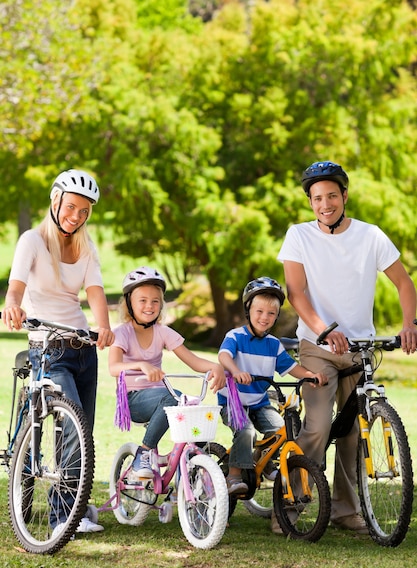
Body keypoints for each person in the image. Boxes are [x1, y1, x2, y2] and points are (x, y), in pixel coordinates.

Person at [278, 160, 417, 534]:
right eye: (317, 198)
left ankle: (344, 509)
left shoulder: (370, 236)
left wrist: (409, 324)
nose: (326, 204)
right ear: (310, 201)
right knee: (319, 426)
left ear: (345, 196)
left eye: (332, 196)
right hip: (317, 347)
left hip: (360, 350)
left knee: (355, 433)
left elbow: (404, 283)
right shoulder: (299, 236)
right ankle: (290, 504)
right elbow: (296, 292)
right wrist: (325, 330)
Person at [2, 168, 115, 535]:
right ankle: (60, 519)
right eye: (71, 207)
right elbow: (16, 286)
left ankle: (71, 507)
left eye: (84, 211)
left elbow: (95, 291)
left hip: (82, 346)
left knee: (81, 430)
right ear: (55, 201)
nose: (76, 216)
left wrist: (105, 326)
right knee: (72, 424)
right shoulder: (32, 241)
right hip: (48, 347)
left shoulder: (86, 246)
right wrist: (13, 305)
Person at [108, 266, 226, 482]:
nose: (149, 306)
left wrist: (215, 367)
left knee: (187, 406)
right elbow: (113, 367)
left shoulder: (162, 331)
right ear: (129, 303)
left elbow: (193, 360)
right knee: (174, 397)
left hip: (162, 397)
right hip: (132, 399)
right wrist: (141, 365)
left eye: (155, 301)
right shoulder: (122, 332)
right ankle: (143, 453)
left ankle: (189, 473)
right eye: (142, 300)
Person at [217, 277, 327, 496]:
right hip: (233, 401)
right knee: (246, 431)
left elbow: (291, 367)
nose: (264, 318)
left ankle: (264, 460)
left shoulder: (273, 344)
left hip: (259, 401)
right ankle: (234, 476)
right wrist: (236, 371)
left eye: (271, 314)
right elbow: (223, 356)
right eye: (259, 312)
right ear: (249, 310)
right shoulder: (235, 336)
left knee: (282, 430)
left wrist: (310, 375)